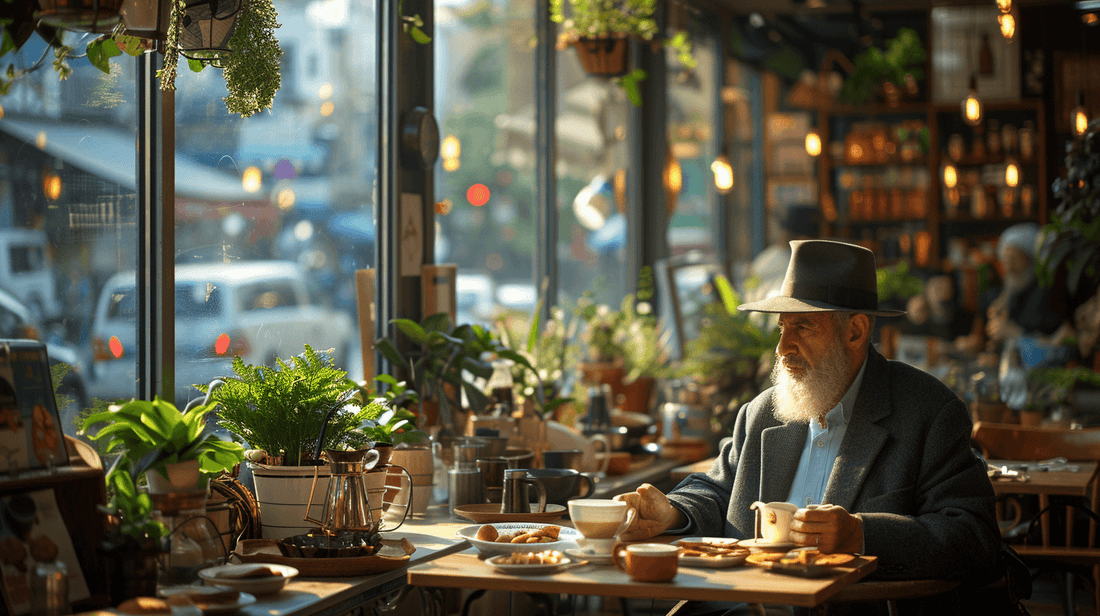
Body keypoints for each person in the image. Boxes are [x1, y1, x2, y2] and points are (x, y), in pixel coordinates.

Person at [615, 240, 1000, 616]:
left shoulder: (928, 412)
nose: (783, 347)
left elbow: (972, 537)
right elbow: (718, 492)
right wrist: (672, 512)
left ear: (855, 331)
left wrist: (862, 534)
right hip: (741, 604)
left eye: (802, 327)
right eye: (782, 328)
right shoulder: (763, 412)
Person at [986, 223, 1065, 345]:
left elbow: (1050, 342)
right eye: (1005, 260)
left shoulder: (1045, 292)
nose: (1009, 267)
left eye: (1013, 259)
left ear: (1029, 259)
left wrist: (1014, 333)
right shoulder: (1012, 291)